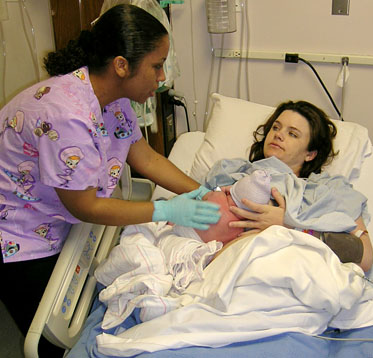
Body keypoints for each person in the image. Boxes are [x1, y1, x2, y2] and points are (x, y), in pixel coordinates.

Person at [0, 4, 219, 355]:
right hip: (15, 235)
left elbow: (146, 157)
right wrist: (163, 210)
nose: (162, 78)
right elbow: (87, 206)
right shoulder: (68, 117)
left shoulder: (112, 98)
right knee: (49, 341)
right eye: (156, 65)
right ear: (121, 65)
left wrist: (202, 192)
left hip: (51, 215)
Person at [212, 100, 373, 273]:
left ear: (310, 154)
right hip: (227, 265)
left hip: (290, 271)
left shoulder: (329, 190)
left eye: (292, 134)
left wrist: (290, 227)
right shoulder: (232, 171)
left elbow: (365, 257)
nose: (278, 135)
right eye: (276, 127)